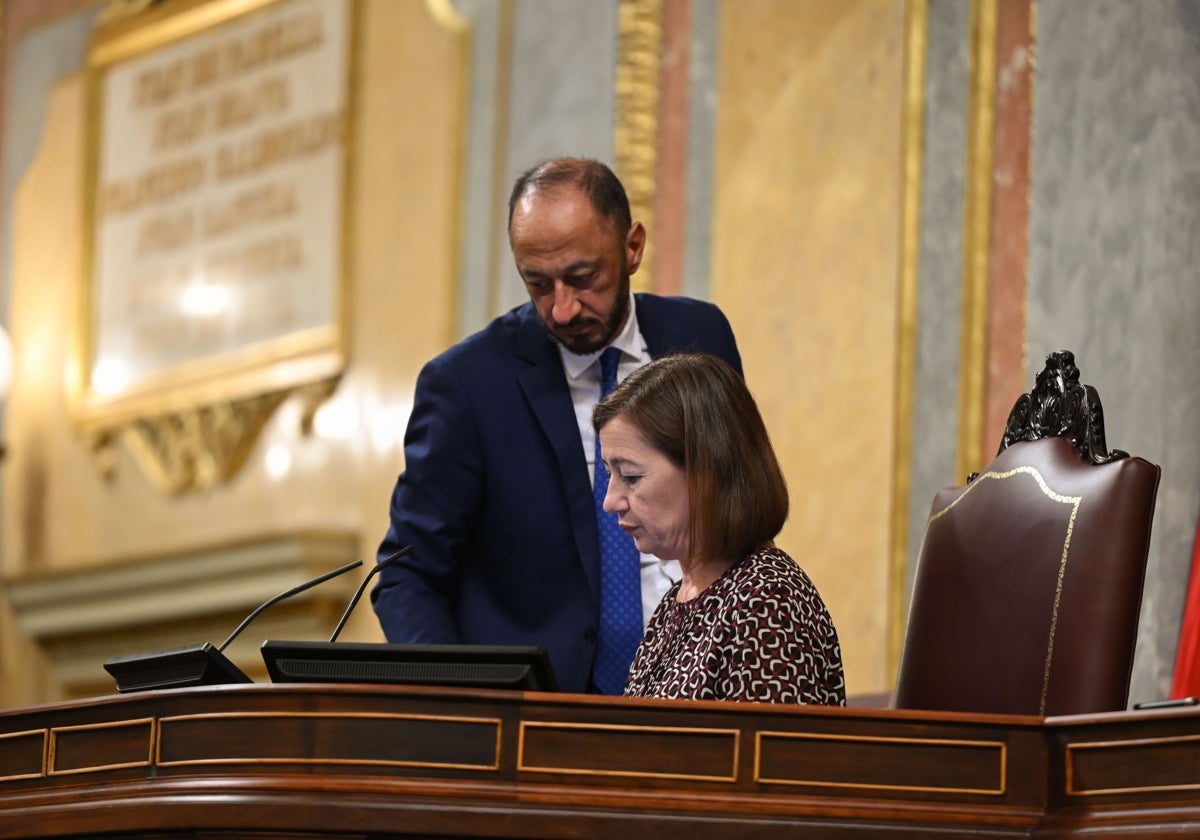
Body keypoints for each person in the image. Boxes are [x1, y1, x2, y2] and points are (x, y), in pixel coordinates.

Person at [371, 158, 743, 694]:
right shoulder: (469, 386)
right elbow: (408, 575)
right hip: (535, 719)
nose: (563, 309)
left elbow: (738, 506)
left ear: (632, 247)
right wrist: (461, 707)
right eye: (538, 284)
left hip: (694, 691)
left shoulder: (700, 335)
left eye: (583, 278)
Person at [593, 353, 845, 704]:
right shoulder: (677, 601)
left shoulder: (768, 602)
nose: (611, 501)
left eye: (631, 476)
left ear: (705, 473)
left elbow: (768, 757)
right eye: (609, 474)